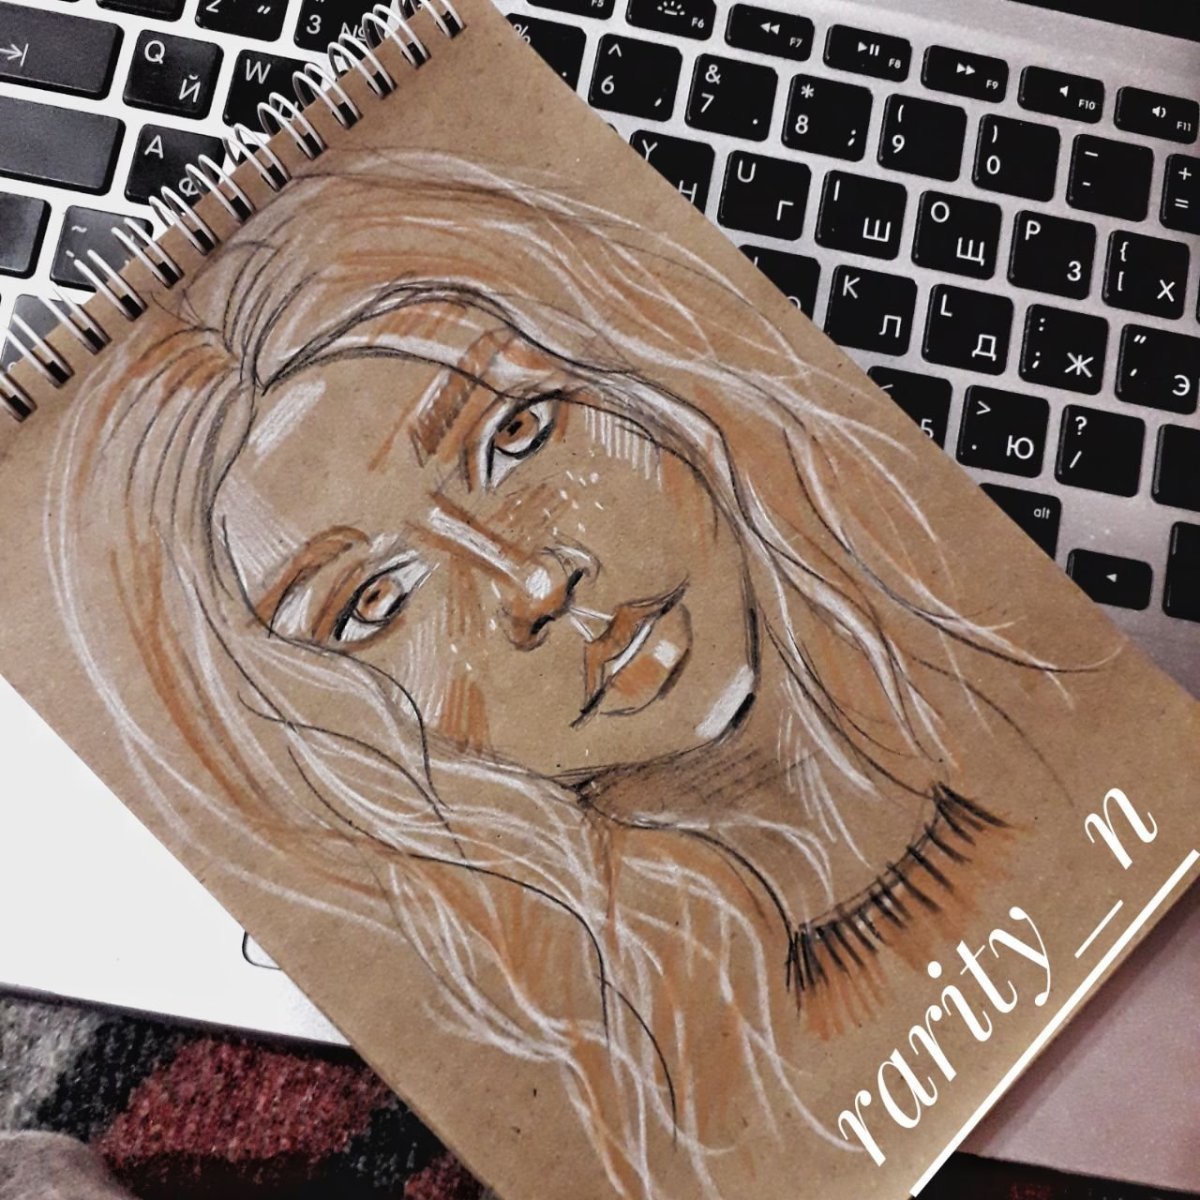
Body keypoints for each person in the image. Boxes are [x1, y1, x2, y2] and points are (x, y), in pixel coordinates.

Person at [46, 153, 1070, 1199]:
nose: (533, 581)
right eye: (375, 603)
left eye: (517, 431)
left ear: (636, 378)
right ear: (328, 722)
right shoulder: (665, 1122)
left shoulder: (1057, 726)